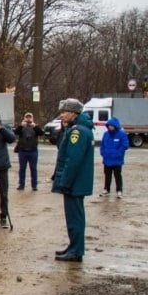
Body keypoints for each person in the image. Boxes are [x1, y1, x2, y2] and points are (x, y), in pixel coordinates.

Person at [51, 98, 94, 262]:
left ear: (73, 113)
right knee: (75, 217)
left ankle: (76, 250)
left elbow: (73, 160)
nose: (62, 115)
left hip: (74, 184)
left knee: (74, 218)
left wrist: (65, 182)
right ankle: (74, 246)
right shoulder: (79, 129)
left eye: (64, 112)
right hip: (77, 183)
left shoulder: (78, 131)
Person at [99, 117, 129, 198]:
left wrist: (118, 153)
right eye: (109, 125)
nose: (110, 127)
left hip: (117, 160)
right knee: (107, 175)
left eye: (111, 126)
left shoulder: (122, 134)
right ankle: (106, 189)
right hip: (107, 159)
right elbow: (102, 145)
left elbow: (125, 145)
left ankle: (119, 190)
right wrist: (103, 153)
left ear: (115, 126)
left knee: (117, 175)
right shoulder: (106, 134)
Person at [14, 112, 44, 191]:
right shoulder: (22, 127)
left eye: (30, 117)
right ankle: (21, 184)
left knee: (33, 169)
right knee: (22, 169)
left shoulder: (35, 127)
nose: (28, 119)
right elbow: (15, 132)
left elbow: (41, 133)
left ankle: (34, 185)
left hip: (33, 151)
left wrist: (35, 126)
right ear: (24, 118)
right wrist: (21, 126)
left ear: (32, 118)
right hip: (22, 151)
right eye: (27, 117)